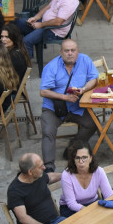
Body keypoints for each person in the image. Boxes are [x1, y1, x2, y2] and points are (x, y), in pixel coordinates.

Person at [38, 40, 97, 172]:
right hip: (53, 108)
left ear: (78, 51)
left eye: (73, 50)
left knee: (92, 124)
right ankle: (48, 166)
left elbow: (94, 78)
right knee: (48, 131)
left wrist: (83, 89)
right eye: (66, 51)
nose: (70, 53)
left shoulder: (85, 60)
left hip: (76, 106)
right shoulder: (52, 66)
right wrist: (64, 97)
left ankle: (71, 149)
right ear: (61, 52)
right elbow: (43, 91)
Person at [15, 0, 79, 61]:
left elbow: (58, 22)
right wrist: (36, 17)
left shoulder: (69, 2)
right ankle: (17, 52)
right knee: (17, 22)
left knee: (26, 42)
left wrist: (41, 24)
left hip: (54, 31)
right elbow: (49, 6)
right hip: (45, 24)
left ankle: (26, 68)